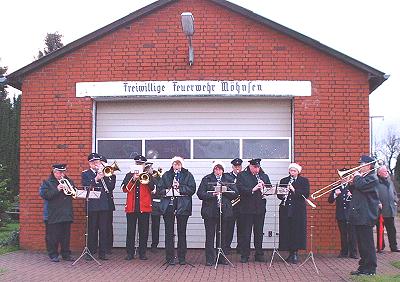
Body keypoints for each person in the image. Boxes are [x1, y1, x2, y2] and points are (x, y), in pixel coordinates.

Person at [197, 160, 237, 266]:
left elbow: (236, 193)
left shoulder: (228, 179)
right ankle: (210, 259)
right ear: (213, 169)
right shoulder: (207, 179)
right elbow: (200, 193)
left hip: (224, 211)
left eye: (219, 169)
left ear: (223, 170)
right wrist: (212, 194)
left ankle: (221, 258)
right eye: (216, 169)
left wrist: (225, 190)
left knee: (222, 236)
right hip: (210, 211)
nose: (218, 171)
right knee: (210, 236)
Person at [157, 156, 196, 265]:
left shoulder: (188, 175)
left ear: (181, 165)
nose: (177, 166)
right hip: (169, 206)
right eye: (175, 164)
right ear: (172, 165)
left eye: (179, 164)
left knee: (181, 232)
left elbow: (192, 189)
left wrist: (180, 188)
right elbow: (159, 189)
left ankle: (182, 258)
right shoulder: (166, 175)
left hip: (183, 206)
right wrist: (169, 189)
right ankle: (169, 258)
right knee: (169, 233)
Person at [349, 155, 380, 276]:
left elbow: (362, 186)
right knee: (361, 244)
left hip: (366, 215)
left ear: (368, 166)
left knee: (367, 244)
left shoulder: (373, 178)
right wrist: (351, 183)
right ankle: (363, 267)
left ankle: (371, 269)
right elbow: (356, 190)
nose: (359, 166)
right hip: (359, 214)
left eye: (361, 164)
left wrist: (356, 177)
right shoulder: (362, 178)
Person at [236, 158, 271, 263]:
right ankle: (245, 255)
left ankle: (259, 254)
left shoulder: (264, 176)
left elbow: (270, 189)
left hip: (260, 208)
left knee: (259, 232)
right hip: (246, 209)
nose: (257, 169)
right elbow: (240, 189)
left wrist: (264, 188)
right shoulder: (242, 175)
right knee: (246, 233)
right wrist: (253, 189)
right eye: (255, 167)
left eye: (258, 167)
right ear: (250, 166)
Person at [81, 152, 114, 261]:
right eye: (93, 162)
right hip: (92, 205)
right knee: (92, 230)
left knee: (104, 230)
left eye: (97, 161)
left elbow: (110, 188)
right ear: (89, 163)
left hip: (104, 205)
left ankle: (102, 253)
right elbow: (86, 186)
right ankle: (90, 252)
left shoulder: (105, 173)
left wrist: (104, 176)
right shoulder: (85, 174)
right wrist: (96, 178)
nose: (95, 163)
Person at [121, 154, 154, 261]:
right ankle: (130, 253)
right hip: (131, 207)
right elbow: (125, 189)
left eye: (141, 164)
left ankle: (142, 253)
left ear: (144, 165)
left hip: (144, 207)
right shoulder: (128, 175)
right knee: (130, 231)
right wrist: (133, 179)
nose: (139, 165)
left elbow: (153, 190)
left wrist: (147, 178)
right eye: (137, 163)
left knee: (143, 231)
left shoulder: (149, 175)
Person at [39, 164, 74, 262]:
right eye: (59, 172)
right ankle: (53, 254)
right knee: (52, 236)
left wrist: (69, 188)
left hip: (66, 213)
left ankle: (66, 254)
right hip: (52, 214)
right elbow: (45, 195)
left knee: (65, 236)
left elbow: (74, 193)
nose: (62, 174)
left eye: (63, 172)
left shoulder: (69, 181)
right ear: (54, 172)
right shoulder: (47, 182)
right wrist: (57, 189)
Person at [277, 163, 310, 264]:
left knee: (296, 230)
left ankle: (295, 253)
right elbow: (279, 194)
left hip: (298, 210)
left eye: (294, 171)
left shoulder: (304, 181)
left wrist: (294, 190)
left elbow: (306, 194)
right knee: (287, 230)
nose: (292, 172)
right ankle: (289, 253)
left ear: (298, 172)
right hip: (286, 209)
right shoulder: (284, 180)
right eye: (291, 171)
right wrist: (283, 194)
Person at [327, 169, 358, 259]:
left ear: (349, 177)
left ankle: (353, 253)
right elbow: (330, 201)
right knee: (343, 234)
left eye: (346, 176)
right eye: (343, 177)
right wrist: (335, 195)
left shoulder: (353, 187)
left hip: (351, 214)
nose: (344, 178)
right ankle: (344, 252)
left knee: (352, 234)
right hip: (341, 214)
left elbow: (359, 200)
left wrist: (352, 195)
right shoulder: (336, 187)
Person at [375, 165, 399, 252]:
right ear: (379, 173)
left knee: (392, 229)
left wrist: (395, 200)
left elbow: (394, 193)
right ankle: (380, 246)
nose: (386, 173)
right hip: (380, 211)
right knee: (380, 229)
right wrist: (378, 202)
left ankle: (394, 247)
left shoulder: (390, 182)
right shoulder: (376, 182)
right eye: (384, 171)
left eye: (387, 171)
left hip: (390, 209)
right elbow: (374, 195)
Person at [225, 158, 243, 254]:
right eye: (235, 166)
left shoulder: (244, 176)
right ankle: (227, 247)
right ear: (232, 167)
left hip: (242, 205)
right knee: (229, 228)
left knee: (241, 228)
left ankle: (240, 247)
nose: (237, 168)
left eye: (239, 166)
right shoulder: (227, 176)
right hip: (232, 204)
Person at [99, 155, 116, 255]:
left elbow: (111, 187)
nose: (100, 165)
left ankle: (108, 247)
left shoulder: (111, 175)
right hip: (97, 203)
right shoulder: (95, 174)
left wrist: (106, 175)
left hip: (108, 203)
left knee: (108, 226)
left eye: (102, 163)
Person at [146, 162, 162, 253]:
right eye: (150, 168)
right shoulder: (143, 177)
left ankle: (154, 245)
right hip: (145, 203)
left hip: (155, 203)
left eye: (151, 168)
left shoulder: (156, 178)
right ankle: (143, 245)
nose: (152, 170)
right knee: (144, 225)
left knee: (155, 225)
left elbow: (161, 189)